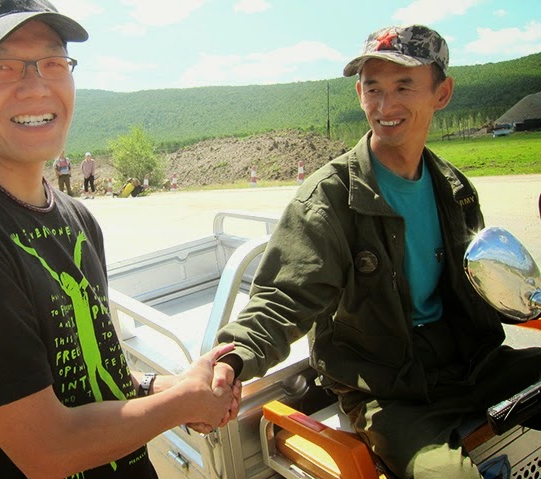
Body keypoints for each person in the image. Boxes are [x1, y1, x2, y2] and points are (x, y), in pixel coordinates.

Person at [0, 1, 240, 478]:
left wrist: (171, 387)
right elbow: (48, 449)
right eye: (1, 67)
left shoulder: (76, 218)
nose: (36, 86)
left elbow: (89, 377)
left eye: (53, 62)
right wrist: (180, 405)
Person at [215, 24, 541, 479]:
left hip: (475, 364)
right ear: (359, 94)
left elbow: (485, 283)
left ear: (442, 93)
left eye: (404, 86)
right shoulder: (329, 200)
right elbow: (283, 299)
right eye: (373, 89)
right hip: (389, 391)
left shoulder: (454, 189)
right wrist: (231, 359)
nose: (385, 107)